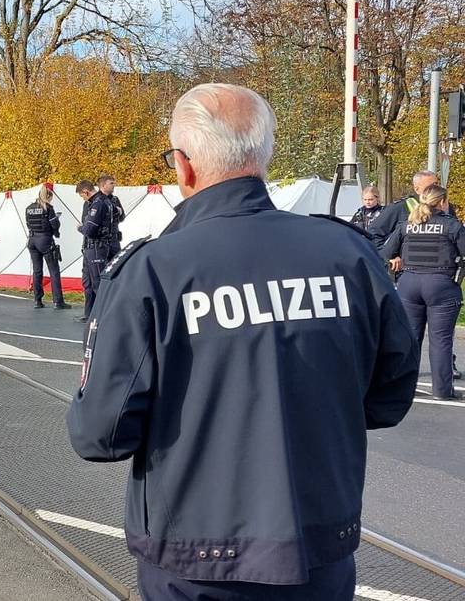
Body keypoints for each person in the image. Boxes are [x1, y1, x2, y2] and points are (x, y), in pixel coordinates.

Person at [67, 83, 418, 600]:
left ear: (183, 166)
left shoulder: (153, 272)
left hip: (196, 559)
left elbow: (100, 434)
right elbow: (389, 398)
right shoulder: (349, 255)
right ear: (262, 156)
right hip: (318, 548)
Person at [381, 184, 465, 400]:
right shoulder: (452, 225)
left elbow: (386, 252)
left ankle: (402, 389)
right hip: (441, 285)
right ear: (443, 202)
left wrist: (397, 259)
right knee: (440, 340)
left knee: (409, 339)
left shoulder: (407, 225)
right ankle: (442, 391)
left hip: (409, 284)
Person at [75, 180, 118, 322]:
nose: (83, 199)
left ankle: (103, 316)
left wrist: (80, 227)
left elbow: (89, 229)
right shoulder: (100, 202)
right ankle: (89, 314)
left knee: (98, 283)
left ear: (85, 192)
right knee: (87, 283)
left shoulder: (99, 203)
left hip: (96, 247)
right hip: (90, 247)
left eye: (82, 196)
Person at [24, 184, 65, 310]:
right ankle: (58, 301)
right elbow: (54, 225)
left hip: (32, 240)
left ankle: (37, 300)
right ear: (48, 197)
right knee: (54, 271)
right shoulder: (48, 208)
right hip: (45, 240)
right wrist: (56, 224)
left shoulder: (29, 208)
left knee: (37, 271)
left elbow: (28, 223)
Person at [97, 174, 125, 243]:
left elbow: (122, 217)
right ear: (103, 185)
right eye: (111, 183)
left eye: (113, 183)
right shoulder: (94, 200)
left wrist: (119, 213)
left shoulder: (114, 199)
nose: (113, 185)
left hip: (114, 239)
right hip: (100, 242)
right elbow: (86, 221)